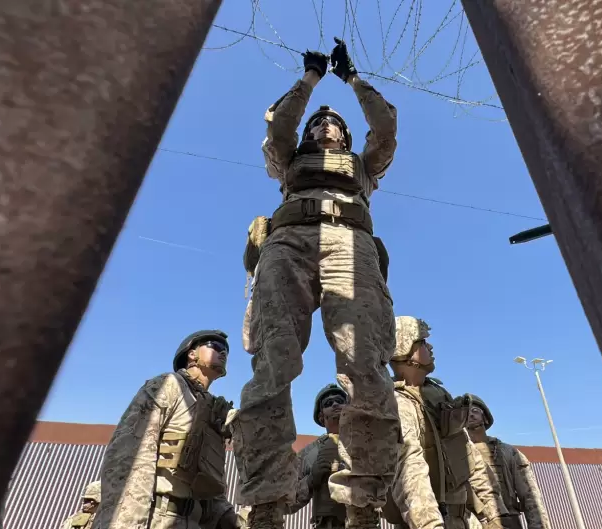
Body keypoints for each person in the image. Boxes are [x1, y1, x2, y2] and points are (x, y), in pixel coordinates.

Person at [230, 36, 400, 529]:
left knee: (365, 363)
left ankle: (363, 503)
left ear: (346, 138)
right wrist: (309, 80)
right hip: (288, 242)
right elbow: (281, 124)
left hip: (350, 244)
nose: (328, 125)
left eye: (337, 124)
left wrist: (352, 80)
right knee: (272, 364)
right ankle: (265, 500)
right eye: (320, 122)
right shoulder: (288, 161)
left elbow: (386, 129)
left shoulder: (364, 167)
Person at [95, 330, 239, 529]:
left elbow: (208, 481)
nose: (223, 353)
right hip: (157, 518)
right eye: (215, 346)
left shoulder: (213, 410)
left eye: (226, 351)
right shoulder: (168, 385)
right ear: (191, 354)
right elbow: (128, 456)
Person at [384, 316, 504, 529]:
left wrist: (494, 516)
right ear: (404, 348)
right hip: (428, 520)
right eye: (421, 342)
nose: (429, 346)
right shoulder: (396, 403)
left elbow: (470, 458)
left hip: (464, 517)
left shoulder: (438, 395)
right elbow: (409, 470)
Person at [462, 395, 550, 529]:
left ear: (485, 417)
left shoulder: (508, 452)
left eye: (474, 410)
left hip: (507, 520)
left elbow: (529, 496)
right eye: (465, 412)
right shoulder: (455, 453)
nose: (470, 415)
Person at [287, 384, 350, 528]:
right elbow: (287, 502)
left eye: (340, 401)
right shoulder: (310, 453)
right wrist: (310, 480)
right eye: (328, 403)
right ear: (321, 416)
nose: (335, 404)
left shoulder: (366, 446)